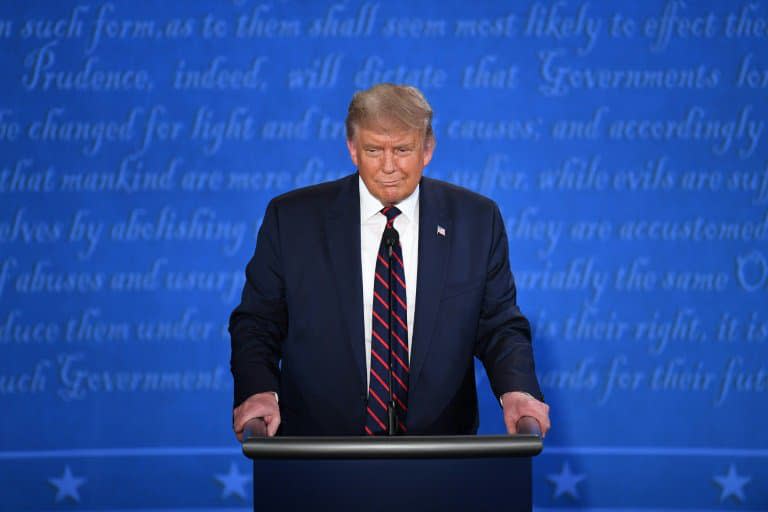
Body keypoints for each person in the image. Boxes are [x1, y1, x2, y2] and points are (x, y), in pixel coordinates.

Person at [229, 83, 550, 438]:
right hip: (319, 450)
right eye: (373, 150)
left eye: (402, 149)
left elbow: (499, 327)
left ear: (427, 149)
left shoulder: (476, 221)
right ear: (352, 149)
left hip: (439, 455)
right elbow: (257, 322)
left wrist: (517, 392)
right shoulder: (292, 220)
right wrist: (258, 391)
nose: (388, 167)